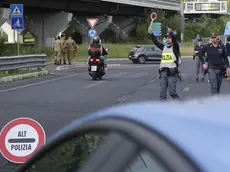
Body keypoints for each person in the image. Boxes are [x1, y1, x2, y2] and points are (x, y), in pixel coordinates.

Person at [148, 26, 181, 100]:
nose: (168, 39)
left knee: (172, 92)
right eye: (166, 38)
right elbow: (155, 42)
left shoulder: (175, 47)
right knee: (162, 94)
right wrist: (151, 33)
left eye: (169, 38)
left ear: (172, 39)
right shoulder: (164, 47)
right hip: (163, 73)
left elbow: (175, 42)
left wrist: (171, 33)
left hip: (172, 73)